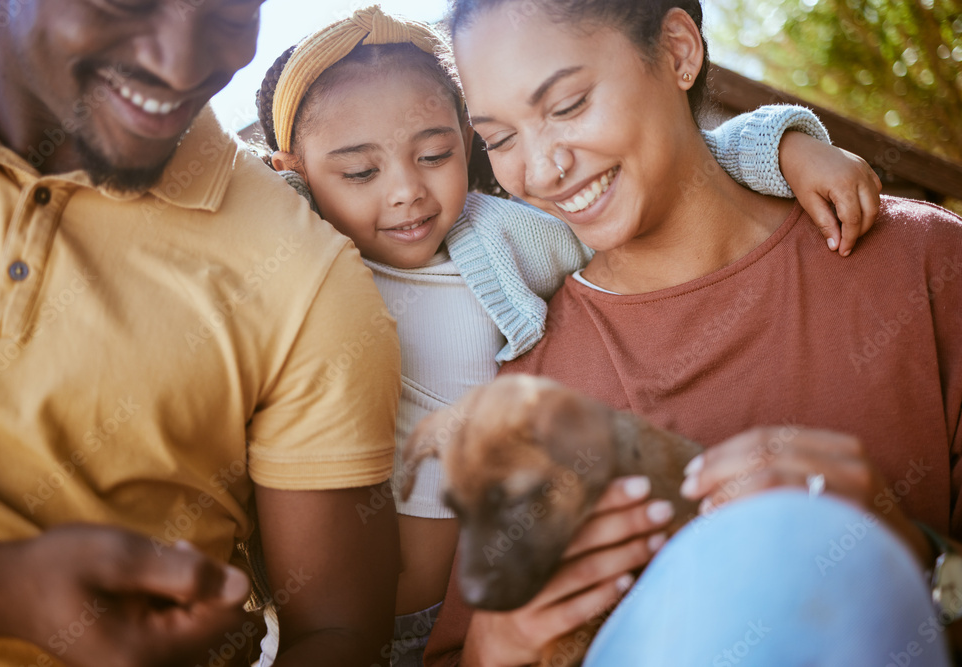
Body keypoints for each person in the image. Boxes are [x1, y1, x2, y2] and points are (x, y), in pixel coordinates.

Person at [253, 6, 884, 665]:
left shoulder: (501, 236)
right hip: (334, 625)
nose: (408, 191)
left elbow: (670, 177)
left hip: (479, 605)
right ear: (296, 172)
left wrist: (788, 148)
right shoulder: (300, 256)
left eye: (437, 154)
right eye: (359, 173)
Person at [423, 0, 962, 664]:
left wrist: (913, 558)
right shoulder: (531, 390)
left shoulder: (926, 267)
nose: (539, 169)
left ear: (678, 52)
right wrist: (495, 646)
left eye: (566, 105)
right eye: (500, 139)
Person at [0, 1, 401, 666]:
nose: (182, 64)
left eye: (229, 11)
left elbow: (339, 632)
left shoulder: (303, 273)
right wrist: (2, 588)